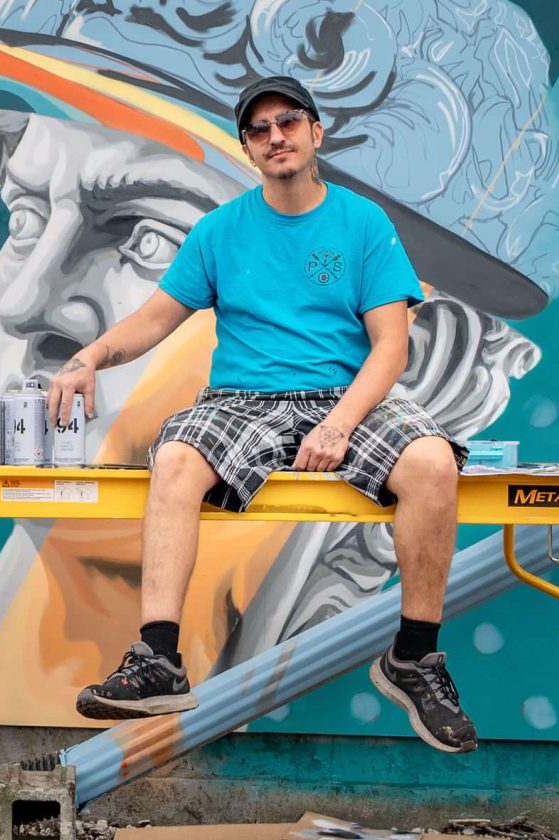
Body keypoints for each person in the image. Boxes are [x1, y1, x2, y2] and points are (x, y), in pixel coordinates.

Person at [54, 73, 479, 751]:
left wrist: (339, 423)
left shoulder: (363, 223)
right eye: (259, 129)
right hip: (242, 400)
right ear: (248, 148)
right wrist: (90, 356)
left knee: (432, 463)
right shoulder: (220, 231)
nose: (275, 136)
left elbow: (390, 347)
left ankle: (414, 657)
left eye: (288, 122)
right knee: (175, 458)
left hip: (343, 395)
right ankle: (159, 658)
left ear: (316, 132)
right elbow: (156, 317)